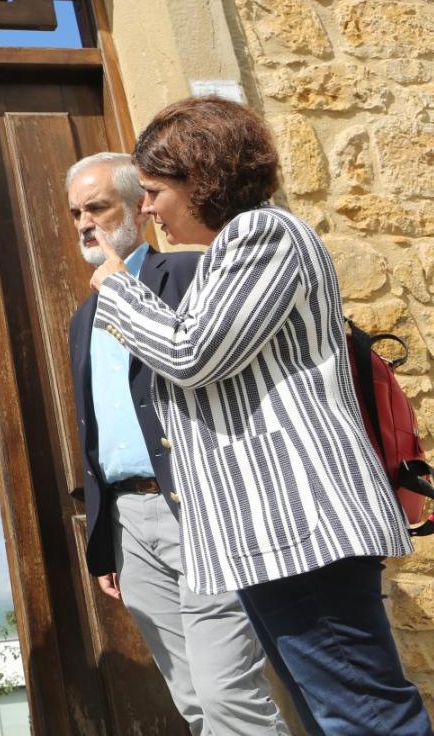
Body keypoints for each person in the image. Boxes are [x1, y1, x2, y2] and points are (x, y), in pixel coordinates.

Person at [90, 97, 432, 736]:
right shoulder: (232, 252)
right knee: (334, 716)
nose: (146, 208)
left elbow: (191, 355)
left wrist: (117, 287)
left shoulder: (262, 235)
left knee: (366, 718)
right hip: (269, 534)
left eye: (156, 190)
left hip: (301, 524)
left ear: (205, 181)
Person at [67, 152, 287, 735]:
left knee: (226, 694)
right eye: (75, 214)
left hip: (198, 505)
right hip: (128, 522)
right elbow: (96, 428)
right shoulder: (83, 316)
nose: (84, 223)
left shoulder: (191, 274)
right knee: (192, 701)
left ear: (139, 206)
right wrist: (105, 535)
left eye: (96, 207)